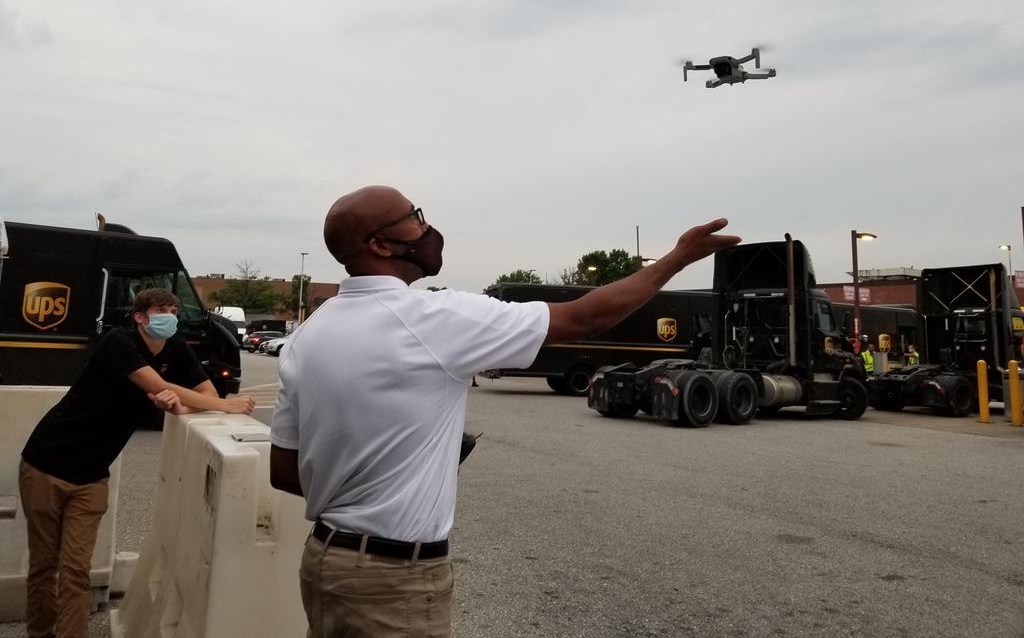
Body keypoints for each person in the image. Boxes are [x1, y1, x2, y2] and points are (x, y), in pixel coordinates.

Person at [269, 185, 740, 638]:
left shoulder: (306, 338)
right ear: (380, 244)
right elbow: (584, 317)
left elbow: (286, 472)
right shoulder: (432, 319)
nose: (427, 228)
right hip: (394, 579)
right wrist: (677, 258)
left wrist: (379, 464)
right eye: (414, 219)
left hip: (325, 562)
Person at [19, 287, 256, 638]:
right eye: (162, 310)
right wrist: (226, 406)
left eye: (174, 310)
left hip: (91, 477)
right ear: (140, 317)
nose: (170, 317)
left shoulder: (175, 348)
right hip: (45, 463)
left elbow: (203, 393)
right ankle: (40, 632)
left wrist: (178, 405)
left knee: (75, 570)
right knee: (44, 564)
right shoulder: (119, 343)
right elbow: (160, 385)